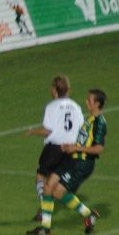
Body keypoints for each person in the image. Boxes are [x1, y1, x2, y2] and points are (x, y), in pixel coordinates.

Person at [28, 89, 106, 235]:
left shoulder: (100, 123)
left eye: (89, 100)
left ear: (97, 104)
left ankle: (88, 214)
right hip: (72, 158)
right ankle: (45, 227)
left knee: (57, 191)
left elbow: (99, 149)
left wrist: (75, 147)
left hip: (82, 164)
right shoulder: (89, 119)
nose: (86, 102)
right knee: (48, 186)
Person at [24, 76, 83, 223]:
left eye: (51, 87)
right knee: (54, 182)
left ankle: (44, 207)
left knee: (41, 176)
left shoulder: (51, 107)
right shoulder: (76, 107)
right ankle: (43, 214)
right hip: (69, 149)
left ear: (55, 90)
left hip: (54, 148)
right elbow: (82, 129)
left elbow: (47, 131)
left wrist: (32, 131)